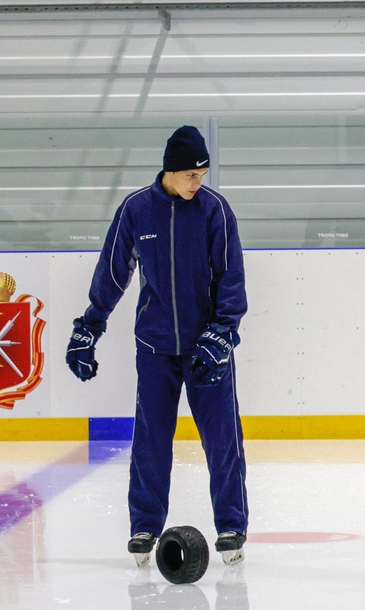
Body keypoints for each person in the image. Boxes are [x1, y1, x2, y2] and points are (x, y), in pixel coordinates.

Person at [66, 125, 249, 568]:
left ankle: (231, 526)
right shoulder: (136, 210)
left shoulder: (214, 210)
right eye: (191, 175)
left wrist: (222, 334)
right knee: (150, 440)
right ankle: (144, 526)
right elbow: (113, 270)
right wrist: (90, 326)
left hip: (207, 348)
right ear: (170, 171)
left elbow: (231, 276)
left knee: (222, 438)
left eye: (203, 175)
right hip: (155, 347)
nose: (198, 183)